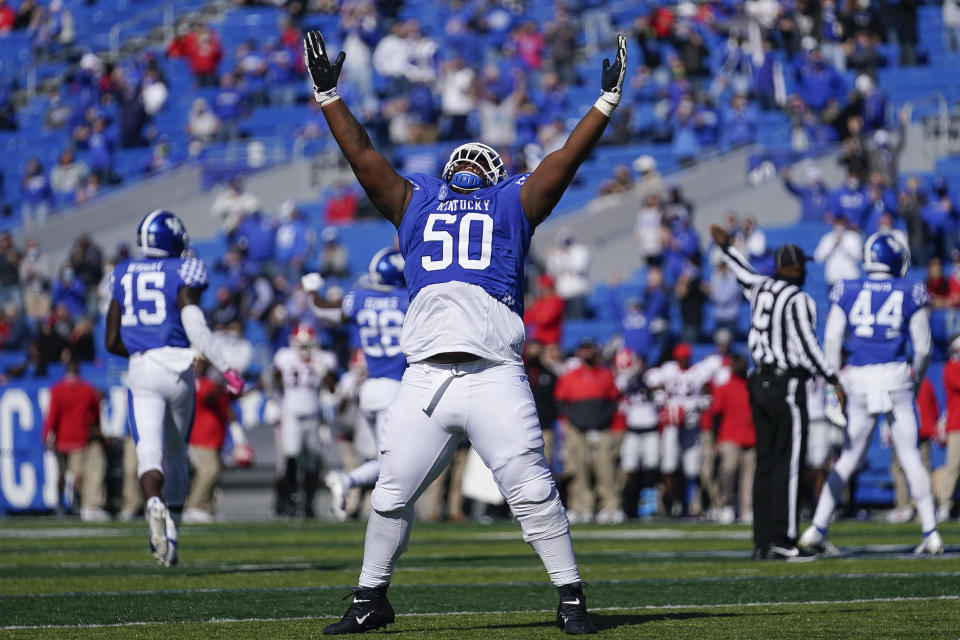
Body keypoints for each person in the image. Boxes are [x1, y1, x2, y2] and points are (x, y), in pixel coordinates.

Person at [303, 28, 627, 634]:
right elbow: (560, 164)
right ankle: (371, 599)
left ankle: (571, 598)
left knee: (524, 488)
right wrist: (601, 106)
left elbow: (365, 158)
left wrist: (329, 97)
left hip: (477, 373)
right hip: (435, 377)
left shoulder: (429, 202)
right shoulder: (481, 202)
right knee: (395, 492)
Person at [105, 210, 243, 567]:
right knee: (178, 454)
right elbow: (194, 324)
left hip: (141, 369)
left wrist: (140, 351)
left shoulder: (122, 272)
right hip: (179, 369)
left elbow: (110, 340)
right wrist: (227, 369)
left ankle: (153, 504)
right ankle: (174, 532)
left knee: (149, 454)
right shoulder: (184, 269)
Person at [799, 232, 943, 555]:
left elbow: (832, 339)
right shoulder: (910, 289)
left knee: (848, 458)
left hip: (860, 379)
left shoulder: (848, 288)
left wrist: (835, 382)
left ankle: (817, 528)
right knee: (910, 456)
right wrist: (915, 380)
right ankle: (931, 532)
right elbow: (923, 348)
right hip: (895, 377)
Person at [710, 223, 846, 560]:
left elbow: (743, 272)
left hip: (758, 384)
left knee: (766, 464)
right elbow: (807, 343)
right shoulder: (798, 298)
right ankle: (784, 539)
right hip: (787, 385)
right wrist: (833, 378)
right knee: (789, 463)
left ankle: (762, 541)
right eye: (803, 266)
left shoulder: (760, 288)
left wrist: (728, 246)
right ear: (796, 268)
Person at [302, 248, 409, 522]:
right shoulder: (408, 299)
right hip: (396, 388)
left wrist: (312, 290)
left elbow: (323, 309)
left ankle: (365, 492)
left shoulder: (362, 298)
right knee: (393, 464)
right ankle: (349, 481)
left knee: (394, 461)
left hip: (370, 389)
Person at [271, 323, 338, 518]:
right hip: (291, 413)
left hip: (313, 415)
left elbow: (332, 388)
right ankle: (289, 500)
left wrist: (323, 372)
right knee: (290, 457)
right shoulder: (284, 357)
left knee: (311, 463)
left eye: (307, 344)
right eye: (300, 344)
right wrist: (276, 400)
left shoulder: (323, 359)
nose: (303, 348)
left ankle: (308, 503)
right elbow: (275, 378)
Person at [554, 338, 623, 524]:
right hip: (577, 428)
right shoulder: (570, 375)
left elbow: (613, 400)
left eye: (590, 349)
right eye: (583, 349)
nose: (587, 353)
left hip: (602, 427)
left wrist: (601, 420)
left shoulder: (605, 374)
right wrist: (576, 421)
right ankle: (582, 507)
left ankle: (611, 506)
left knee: (605, 468)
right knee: (579, 468)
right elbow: (561, 402)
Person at [42, 359, 109, 522]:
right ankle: (78, 505)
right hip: (79, 439)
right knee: (78, 475)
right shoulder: (87, 390)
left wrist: (46, 436)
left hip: (61, 440)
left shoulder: (57, 390)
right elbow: (95, 414)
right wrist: (98, 432)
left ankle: (59, 504)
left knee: (62, 474)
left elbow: (52, 415)